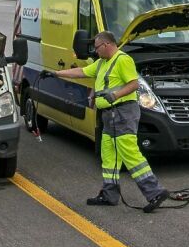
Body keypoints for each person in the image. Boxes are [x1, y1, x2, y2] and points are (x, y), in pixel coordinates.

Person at [43, 31, 169, 213]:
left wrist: (115, 95)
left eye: (97, 48)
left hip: (123, 113)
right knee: (109, 155)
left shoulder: (123, 60)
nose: (95, 51)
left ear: (107, 45)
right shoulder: (102, 63)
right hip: (109, 116)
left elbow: (134, 84)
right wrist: (56, 73)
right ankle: (109, 195)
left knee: (130, 154)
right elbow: (81, 72)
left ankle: (155, 192)